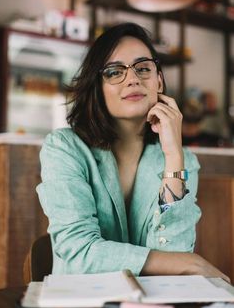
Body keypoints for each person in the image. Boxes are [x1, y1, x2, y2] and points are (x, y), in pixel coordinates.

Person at [36, 22, 229, 281]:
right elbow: (79, 251)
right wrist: (187, 263)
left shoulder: (184, 162)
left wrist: (173, 155)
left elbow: (174, 252)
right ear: (98, 86)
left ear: (158, 81)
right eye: (115, 72)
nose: (133, 78)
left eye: (143, 68)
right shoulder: (65, 148)